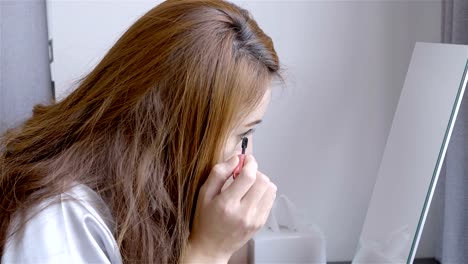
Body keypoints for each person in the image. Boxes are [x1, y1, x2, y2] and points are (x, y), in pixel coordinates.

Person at [0, 0, 282, 263]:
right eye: (242, 137)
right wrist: (210, 250)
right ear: (172, 130)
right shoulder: (56, 221)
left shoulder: (149, 195)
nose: (247, 165)